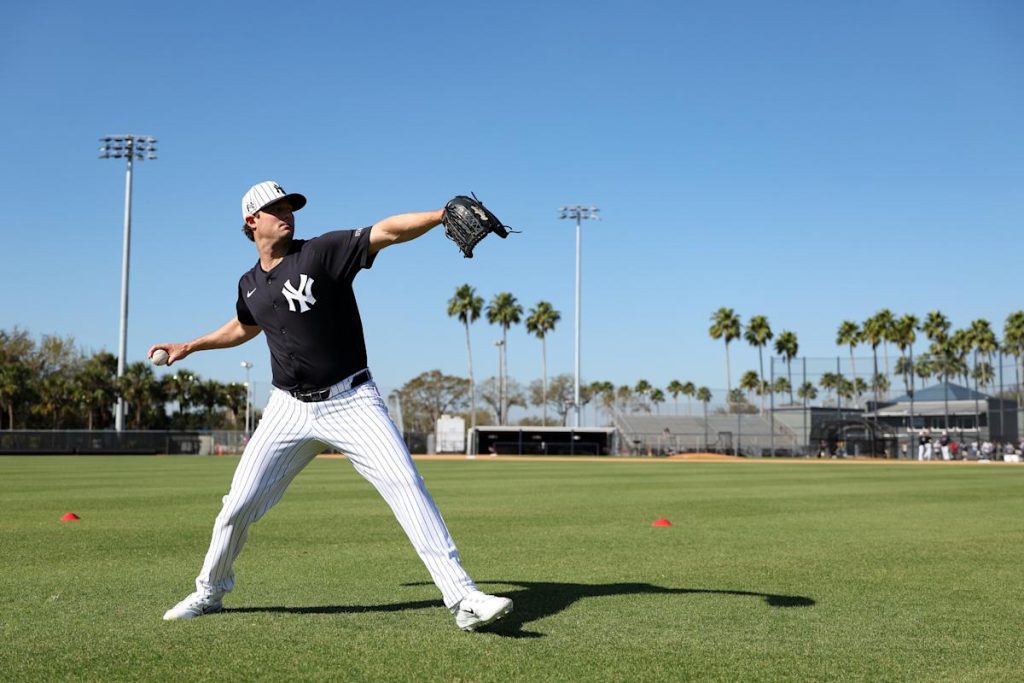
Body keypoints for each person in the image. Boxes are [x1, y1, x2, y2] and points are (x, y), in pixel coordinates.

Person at [152, 181, 512, 631]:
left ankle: (463, 598)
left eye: (289, 205)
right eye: (274, 208)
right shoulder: (249, 285)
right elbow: (245, 327)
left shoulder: (321, 253)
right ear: (251, 221)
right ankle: (209, 592)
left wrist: (440, 215)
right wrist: (192, 345)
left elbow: (386, 232)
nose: (286, 212)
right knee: (237, 505)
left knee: (406, 485)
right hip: (287, 409)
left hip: (351, 400)